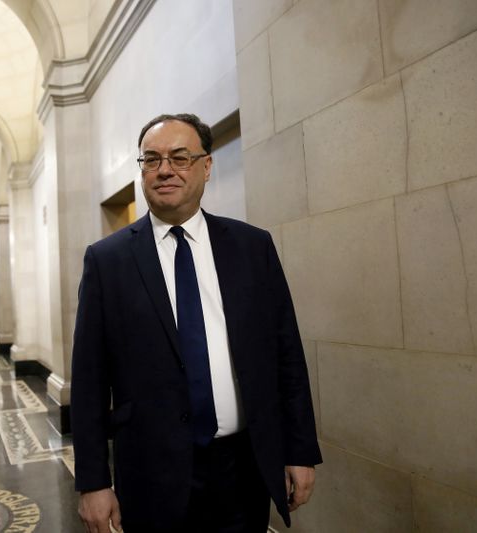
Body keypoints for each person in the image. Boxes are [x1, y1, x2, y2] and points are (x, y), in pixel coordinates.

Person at [71, 113, 322, 532]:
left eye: (179, 157)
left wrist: (299, 450)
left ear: (206, 166)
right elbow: (89, 380)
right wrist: (93, 481)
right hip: (152, 474)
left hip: (244, 468)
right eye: (151, 159)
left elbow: (286, 356)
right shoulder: (106, 260)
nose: (164, 169)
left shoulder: (252, 247)